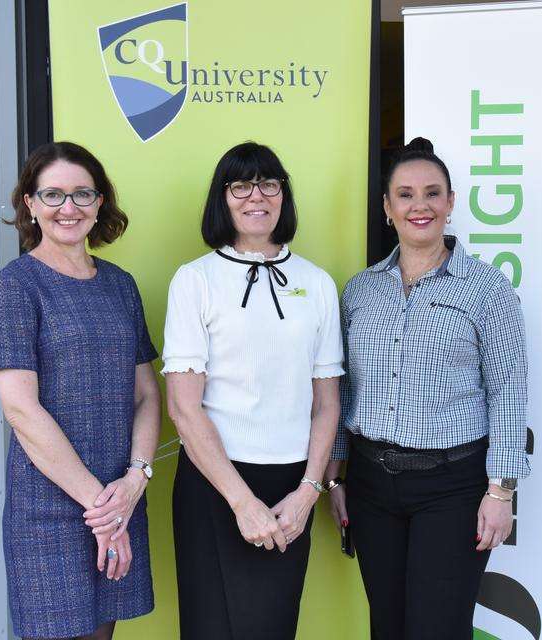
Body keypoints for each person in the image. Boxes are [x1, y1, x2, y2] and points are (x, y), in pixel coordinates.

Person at [325, 137, 530, 639]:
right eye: (406, 194)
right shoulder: (359, 289)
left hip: (453, 488)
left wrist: (501, 492)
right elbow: (344, 389)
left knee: (437, 629)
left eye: (433, 193)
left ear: (451, 202)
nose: (421, 205)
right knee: (387, 627)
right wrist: (336, 478)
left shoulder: (486, 289)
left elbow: (508, 391)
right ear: (387, 207)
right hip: (372, 485)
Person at [163, 141, 343, 639]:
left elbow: (327, 403)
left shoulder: (318, 283)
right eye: (240, 185)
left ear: (283, 195)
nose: (255, 196)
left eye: (268, 183)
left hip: (291, 487)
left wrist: (308, 492)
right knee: (212, 627)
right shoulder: (194, 280)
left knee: (273, 627)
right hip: (214, 484)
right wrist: (241, 503)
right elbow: (183, 407)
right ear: (223, 199)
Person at [0, 141, 160, 640]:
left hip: (121, 493)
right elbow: (20, 409)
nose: (69, 208)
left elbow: (146, 395)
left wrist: (133, 483)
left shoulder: (120, 285)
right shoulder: (15, 287)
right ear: (30, 205)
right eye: (53, 195)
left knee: (102, 634)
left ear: (100, 203)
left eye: (83, 194)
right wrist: (103, 511)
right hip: (50, 508)